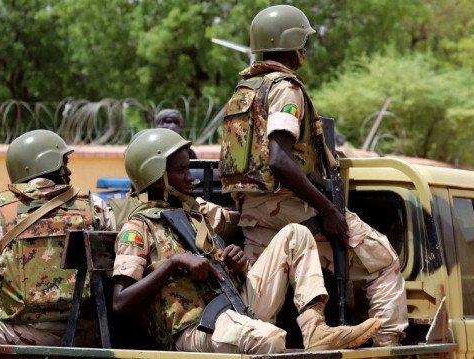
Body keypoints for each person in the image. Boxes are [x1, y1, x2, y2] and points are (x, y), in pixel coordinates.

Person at [218, 4, 408, 346]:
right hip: (290, 206)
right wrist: (329, 211)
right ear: (293, 44)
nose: (305, 49)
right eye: (303, 41)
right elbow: (278, 159)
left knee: (260, 305)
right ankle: (386, 344)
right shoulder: (285, 89)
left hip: (253, 212)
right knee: (383, 259)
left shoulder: (244, 91)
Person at [111, 128, 382, 353]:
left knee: (296, 234)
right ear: (156, 175)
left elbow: (220, 270)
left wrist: (236, 265)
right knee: (270, 338)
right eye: (181, 170)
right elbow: (120, 302)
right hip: (194, 327)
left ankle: (315, 329)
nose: (190, 178)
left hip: (233, 306)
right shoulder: (138, 228)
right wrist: (173, 263)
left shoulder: (194, 215)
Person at [0, 129, 115, 346]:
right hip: (85, 332)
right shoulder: (95, 206)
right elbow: (110, 280)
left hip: (21, 333)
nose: (69, 171)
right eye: (64, 163)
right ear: (48, 163)